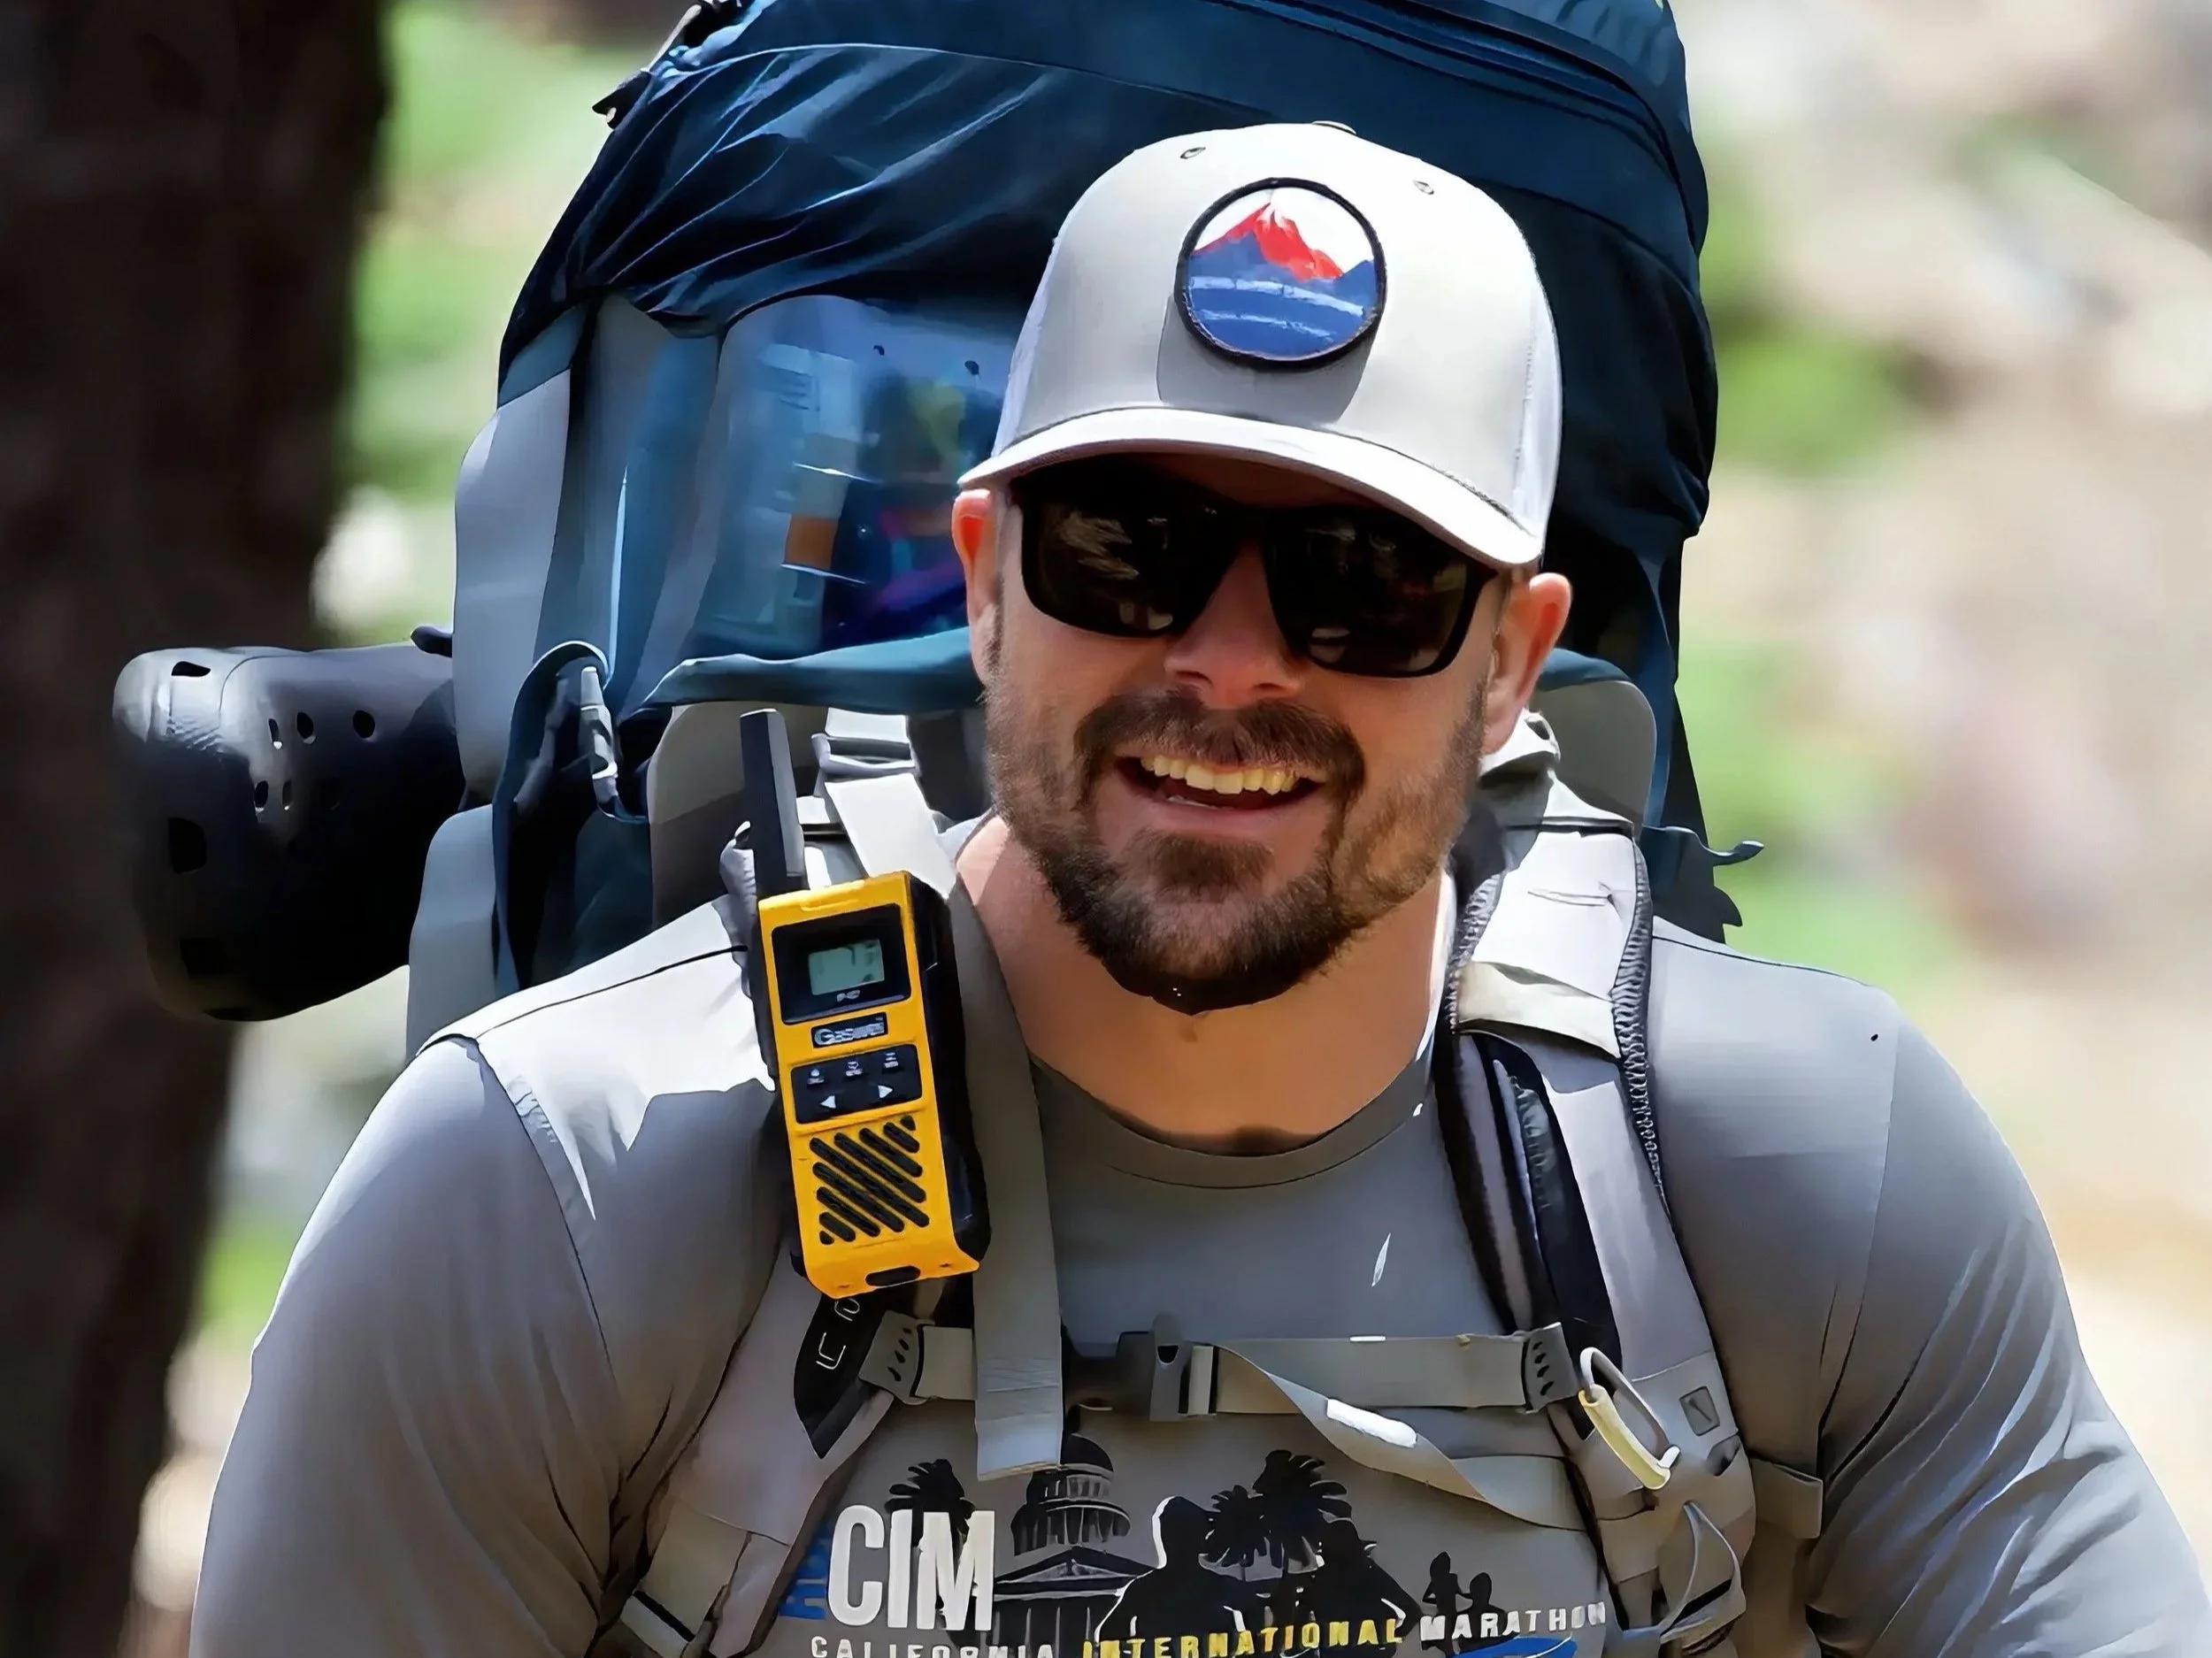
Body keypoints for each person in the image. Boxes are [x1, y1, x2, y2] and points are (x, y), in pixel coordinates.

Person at [193, 123, 2210, 1658]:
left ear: (1512, 661)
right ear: (981, 577)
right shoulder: (558, 1188)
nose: (1232, 660)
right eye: (1128, 546)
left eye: (1364, 585)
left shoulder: (1800, 1173)